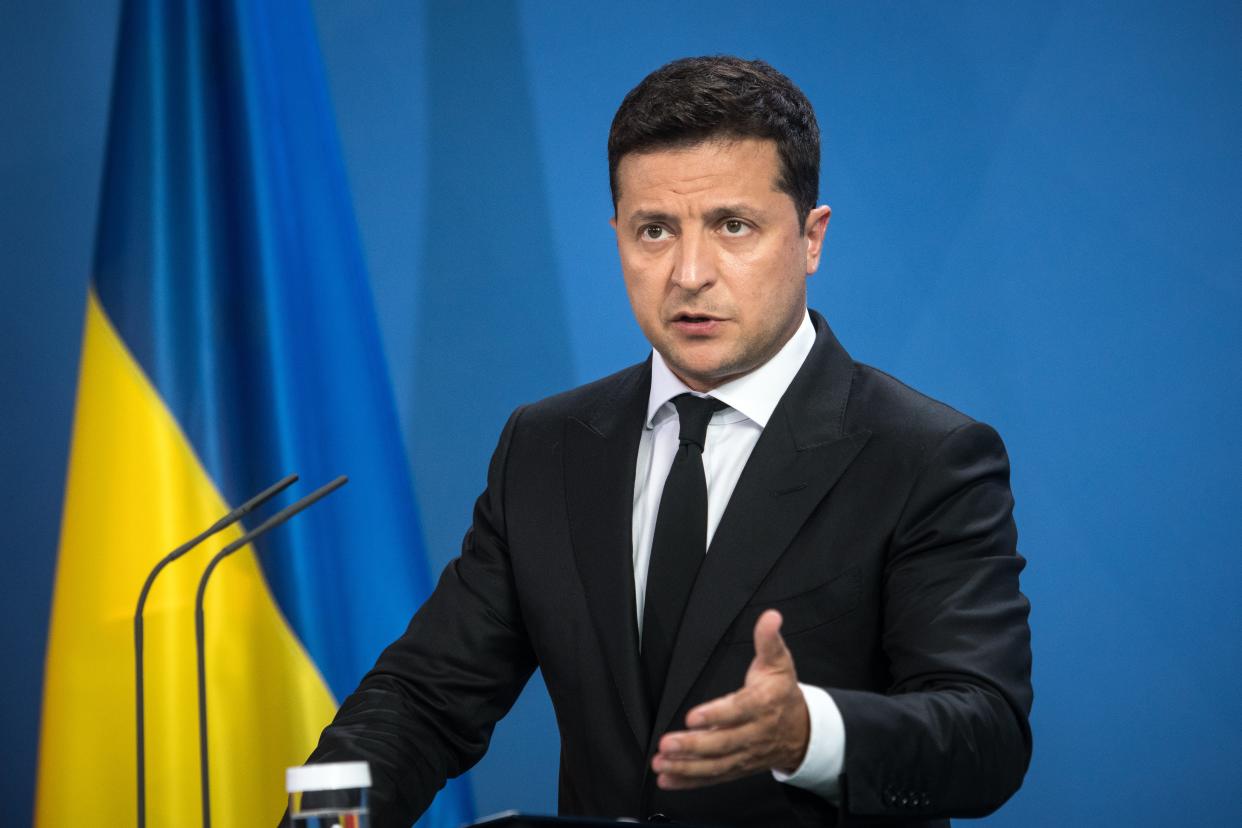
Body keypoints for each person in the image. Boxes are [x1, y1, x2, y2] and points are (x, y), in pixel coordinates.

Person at [305, 56, 1032, 827]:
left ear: (811, 238)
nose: (689, 273)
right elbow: (424, 697)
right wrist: (323, 817)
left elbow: (984, 735)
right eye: (655, 231)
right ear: (618, 235)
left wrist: (809, 732)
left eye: (733, 226)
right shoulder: (546, 448)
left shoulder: (924, 456)